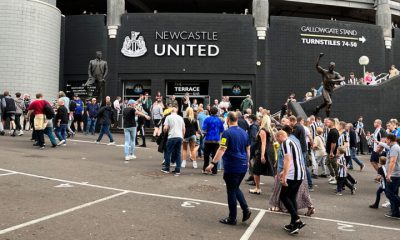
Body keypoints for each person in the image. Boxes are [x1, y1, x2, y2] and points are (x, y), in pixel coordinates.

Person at [205, 111, 252, 225]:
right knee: (235, 188)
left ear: (228, 120)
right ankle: (245, 210)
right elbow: (248, 149)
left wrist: (212, 163)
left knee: (231, 191)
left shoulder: (227, 133)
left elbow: (222, 149)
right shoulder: (244, 133)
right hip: (243, 165)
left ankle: (232, 218)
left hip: (232, 165)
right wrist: (248, 162)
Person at [276, 130, 306, 235]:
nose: (277, 141)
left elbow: (287, 160)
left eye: (277, 138)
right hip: (300, 174)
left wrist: (284, 177)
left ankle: (297, 220)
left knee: (283, 197)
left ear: (280, 136)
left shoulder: (285, 143)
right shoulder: (293, 142)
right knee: (291, 197)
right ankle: (293, 223)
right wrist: (284, 171)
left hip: (292, 175)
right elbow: (294, 159)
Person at [249, 115, 275, 194]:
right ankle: (281, 188)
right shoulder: (270, 130)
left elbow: (263, 143)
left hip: (264, 151)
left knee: (256, 170)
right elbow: (272, 141)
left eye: (260, 119)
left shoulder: (263, 130)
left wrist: (262, 155)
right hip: (270, 150)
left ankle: (257, 188)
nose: (258, 120)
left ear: (263, 121)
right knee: (272, 170)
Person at [313, 53, 345, 117]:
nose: (331, 68)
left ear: (334, 67)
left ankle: (318, 108)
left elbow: (342, 78)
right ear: (328, 66)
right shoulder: (324, 72)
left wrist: (334, 80)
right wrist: (319, 57)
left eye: (332, 67)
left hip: (330, 91)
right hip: (325, 89)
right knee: (329, 103)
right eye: (330, 66)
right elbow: (317, 66)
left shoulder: (335, 74)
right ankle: (327, 118)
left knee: (325, 103)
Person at [161, 105, 185, 176]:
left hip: (171, 136)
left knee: (168, 152)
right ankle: (177, 169)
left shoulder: (168, 117)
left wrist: (165, 131)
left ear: (171, 111)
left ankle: (167, 168)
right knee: (178, 153)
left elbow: (165, 128)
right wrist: (183, 137)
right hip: (179, 137)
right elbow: (183, 128)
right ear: (176, 110)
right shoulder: (181, 118)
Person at [202, 107, 225, 175]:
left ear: (210, 112)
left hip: (208, 139)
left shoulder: (207, 119)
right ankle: (214, 170)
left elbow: (204, 128)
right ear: (217, 112)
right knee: (215, 155)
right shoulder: (219, 120)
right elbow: (222, 130)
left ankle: (205, 169)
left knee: (206, 155)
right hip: (216, 140)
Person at [384, 134, 400, 219]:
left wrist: (389, 174)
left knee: (389, 193)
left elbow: (393, 161)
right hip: (395, 174)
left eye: (386, 140)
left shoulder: (394, 148)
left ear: (389, 140)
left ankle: (396, 212)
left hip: (394, 175)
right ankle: (395, 213)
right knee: (393, 193)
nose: (386, 141)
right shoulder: (394, 147)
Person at [326, 118, 339, 184]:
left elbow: (333, 143)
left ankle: (337, 179)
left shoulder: (333, 131)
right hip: (329, 152)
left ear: (332, 123)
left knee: (335, 166)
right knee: (327, 162)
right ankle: (333, 176)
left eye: (328, 122)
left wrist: (331, 152)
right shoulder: (331, 130)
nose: (326, 123)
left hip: (332, 153)